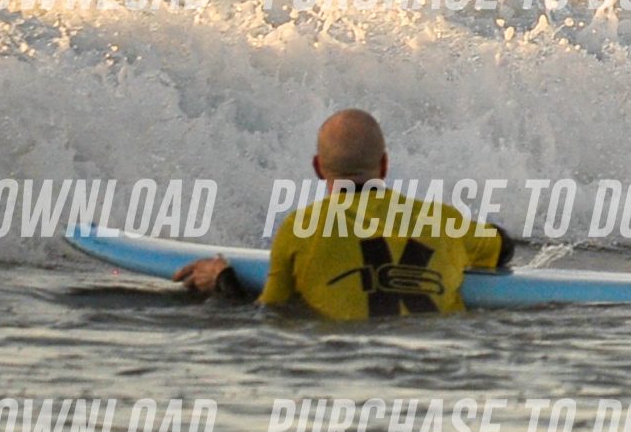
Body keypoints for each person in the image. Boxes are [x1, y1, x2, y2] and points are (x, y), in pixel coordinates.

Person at [173, 109, 512, 319]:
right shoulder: (444, 220)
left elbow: (269, 316)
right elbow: (502, 248)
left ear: (318, 168)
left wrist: (224, 281)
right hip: (437, 357)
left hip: (346, 361)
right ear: (384, 164)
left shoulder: (299, 228)